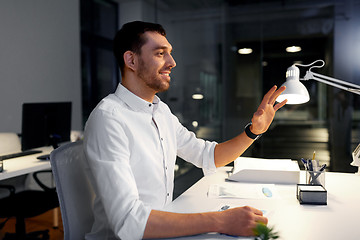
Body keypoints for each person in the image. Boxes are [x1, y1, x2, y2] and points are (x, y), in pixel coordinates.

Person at [83, 21, 287, 240]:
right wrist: (221, 220)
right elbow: (130, 221)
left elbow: (208, 155)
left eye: (169, 53)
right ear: (131, 60)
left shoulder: (160, 111)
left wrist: (254, 131)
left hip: (162, 231)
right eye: (160, 53)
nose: (172, 62)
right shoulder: (109, 119)